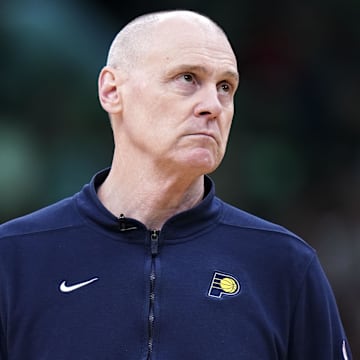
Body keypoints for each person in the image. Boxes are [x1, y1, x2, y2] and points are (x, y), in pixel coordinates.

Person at [0, 10, 352, 360]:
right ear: (111, 90)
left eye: (225, 87)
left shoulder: (285, 265)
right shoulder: (14, 257)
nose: (213, 106)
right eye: (187, 78)